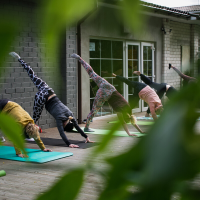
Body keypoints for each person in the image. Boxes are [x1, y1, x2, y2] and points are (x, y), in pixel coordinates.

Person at [9, 52, 93, 148]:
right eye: (63, 125)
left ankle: (19, 58)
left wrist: (86, 137)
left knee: (33, 75)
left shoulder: (70, 114)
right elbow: (62, 133)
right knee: (33, 120)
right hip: (42, 98)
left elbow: (77, 127)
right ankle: (26, 135)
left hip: (49, 91)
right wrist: (69, 144)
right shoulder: (59, 118)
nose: (62, 125)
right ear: (65, 124)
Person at [71, 53, 144, 136]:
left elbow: (132, 120)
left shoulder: (129, 109)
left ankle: (79, 58)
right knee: (94, 111)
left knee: (92, 73)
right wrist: (129, 133)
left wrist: (141, 131)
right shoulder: (120, 112)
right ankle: (86, 127)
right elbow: (124, 123)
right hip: (104, 95)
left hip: (109, 87)